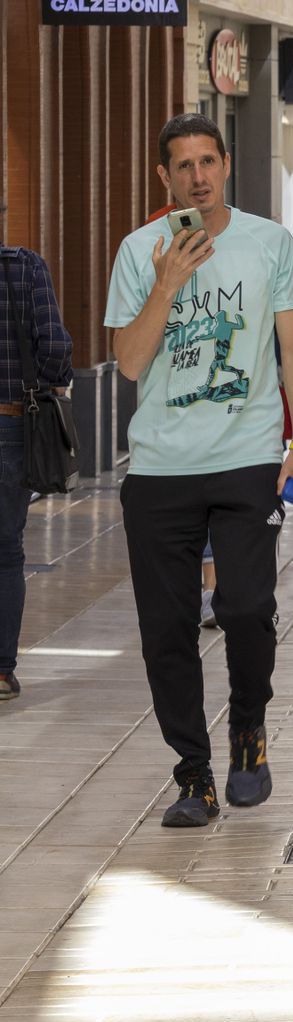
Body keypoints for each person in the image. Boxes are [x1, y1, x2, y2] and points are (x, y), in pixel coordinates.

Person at [105, 112, 293, 828]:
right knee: (167, 629)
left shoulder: (270, 244)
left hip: (247, 457)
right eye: (182, 165)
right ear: (164, 177)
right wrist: (166, 285)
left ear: (226, 165)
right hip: (161, 468)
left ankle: (248, 732)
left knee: (246, 609)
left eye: (208, 161)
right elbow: (130, 362)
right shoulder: (139, 252)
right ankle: (192, 774)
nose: (197, 175)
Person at [0, 227, 73, 702]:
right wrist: (50, 385)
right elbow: (56, 346)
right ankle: (1, 671)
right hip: (10, 426)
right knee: (5, 551)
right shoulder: (23, 268)